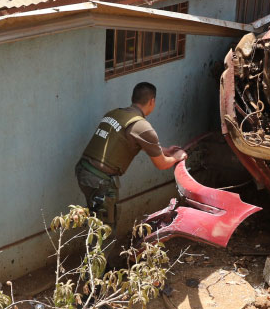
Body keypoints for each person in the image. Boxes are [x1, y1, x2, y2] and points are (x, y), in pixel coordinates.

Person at [75, 82, 187, 233]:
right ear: (152, 101)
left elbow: (123, 142)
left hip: (83, 171)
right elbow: (161, 164)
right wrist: (177, 157)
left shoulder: (114, 113)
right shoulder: (142, 127)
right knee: (104, 232)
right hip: (100, 181)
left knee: (95, 221)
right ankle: (94, 256)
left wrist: (165, 150)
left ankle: (89, 250)